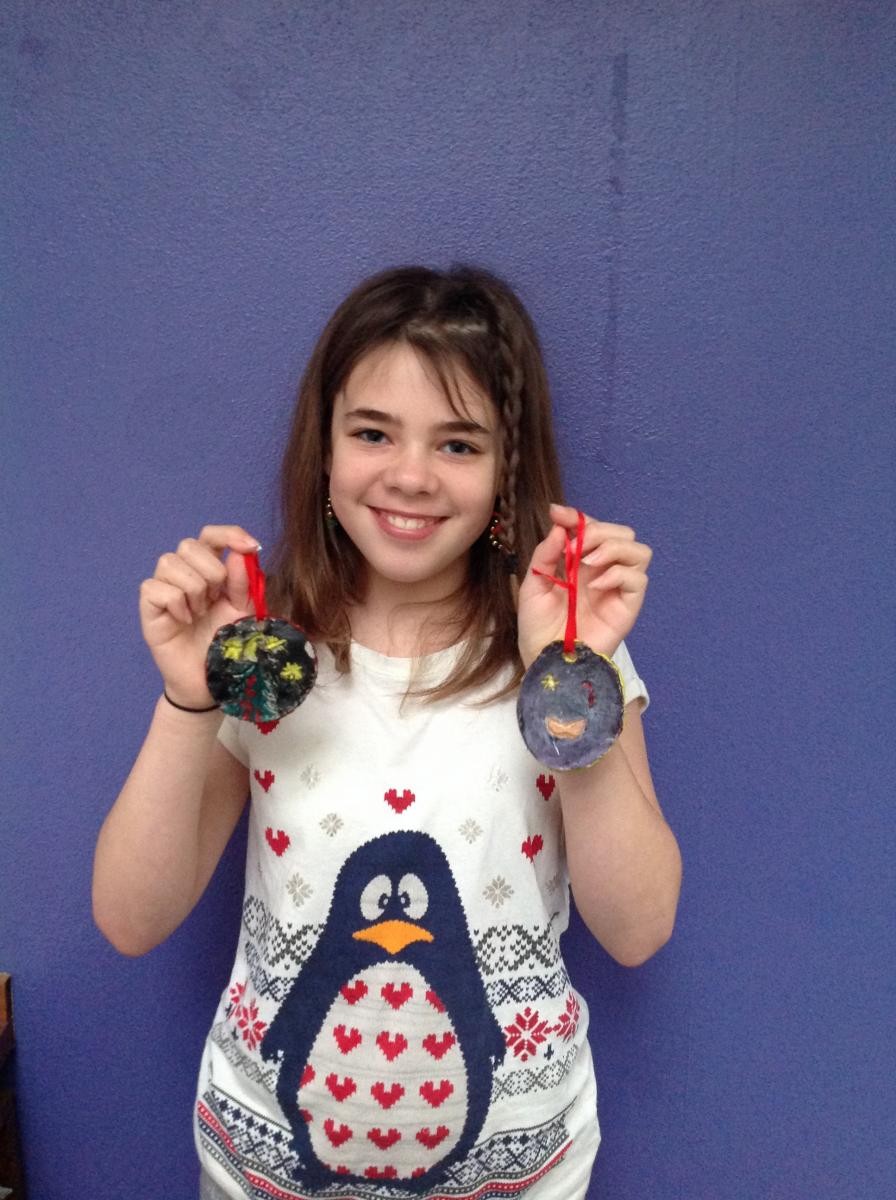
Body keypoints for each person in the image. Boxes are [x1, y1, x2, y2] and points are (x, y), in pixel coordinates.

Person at [93, 265, 682, 1200]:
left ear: (508, 469)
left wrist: (564, 677)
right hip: (266, 1176)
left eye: (459, 443)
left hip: (518, 1178)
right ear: (324, 450)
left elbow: (639, 930)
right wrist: (188, 698)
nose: (410, 475)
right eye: (373, 432)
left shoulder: (569, 665)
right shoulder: (264, 657)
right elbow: (132, 919)